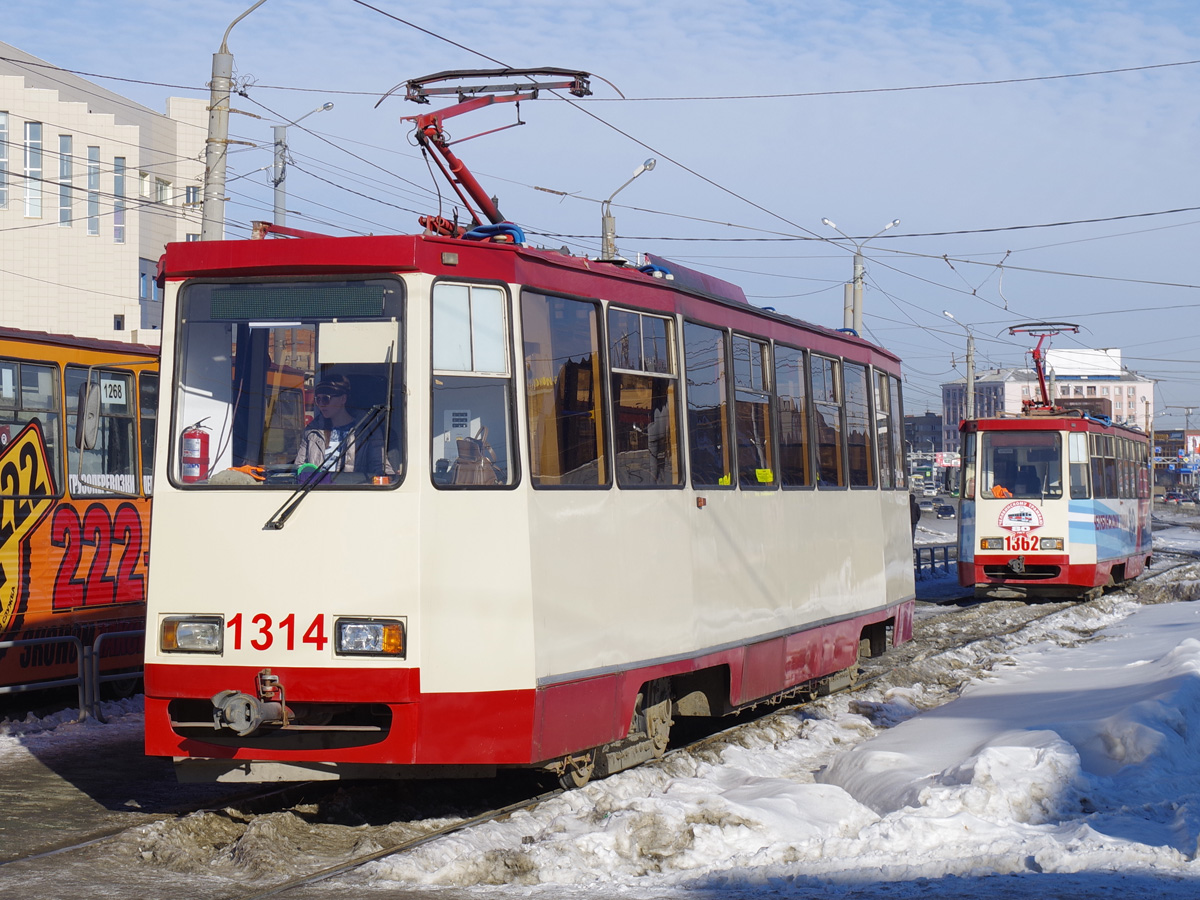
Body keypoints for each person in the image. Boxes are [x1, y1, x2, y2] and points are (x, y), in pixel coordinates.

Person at [294, 373, 397, 482]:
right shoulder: (312, 431)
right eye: (317, 400)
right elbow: (299, 467)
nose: (321, 404)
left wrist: (389, 478)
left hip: (351, 490)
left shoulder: (367, 430)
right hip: (317, 490)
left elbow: (380, 467)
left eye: (325, 399)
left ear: (343, 399)